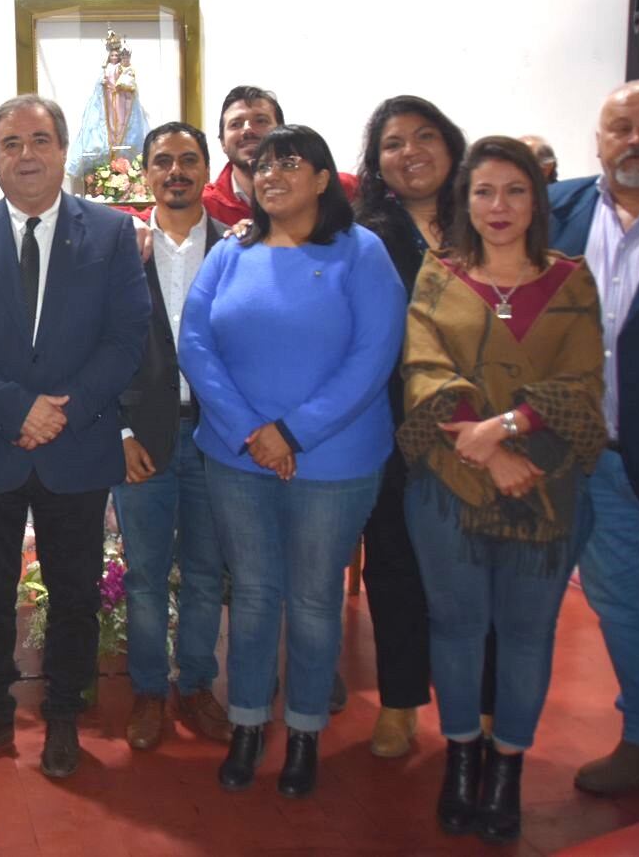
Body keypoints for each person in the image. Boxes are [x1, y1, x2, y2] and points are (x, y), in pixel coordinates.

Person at [178, 125, 405, 798]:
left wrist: (293, 433)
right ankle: (248, 722)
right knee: (250, 596)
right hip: (236, 455)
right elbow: (195, 341)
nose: (270, 174)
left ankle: (304, 731)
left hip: (333, 462)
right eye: (261, 166)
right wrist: (254, 431)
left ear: (324, 177)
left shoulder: (361, 253)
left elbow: (373, 357)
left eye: (289, 163)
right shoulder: (233, 252)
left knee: (312, 599)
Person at [0, 94, 149, 779]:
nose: (27, 154)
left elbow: (126, 337)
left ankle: (62, 717)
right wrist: (18, 411)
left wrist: (66, 411)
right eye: (11, 143)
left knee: (75, 592)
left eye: (41, 139)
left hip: (75, 446)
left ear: (61, 150)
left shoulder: (111, 234)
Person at [401, 135, 606, 842]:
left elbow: (583, 385)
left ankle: (508, 767)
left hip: (545, 487)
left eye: (514, 191)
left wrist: (513, 430)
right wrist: (486, 454)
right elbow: (423, 370)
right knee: (456, 629)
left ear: (538, 199)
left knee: (526, 634)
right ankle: (461, 758)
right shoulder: (438, 274)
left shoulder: (571, 279)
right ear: (464, 200)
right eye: (483, 191)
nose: (498, 206)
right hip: (450, 487)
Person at [551, 79, 639, 817]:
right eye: (620, 127)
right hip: (592, 459)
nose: (636, 140)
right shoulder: (557, 211)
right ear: (596, 141)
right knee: (620, 603)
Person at [352, 96, 468, 759]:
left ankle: (474, 710)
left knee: (471, 574)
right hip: (390, 426)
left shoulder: (487, 219)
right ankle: (399, 703)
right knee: (393, 566)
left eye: (425, 137)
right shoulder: (364, 236)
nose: (410, 152)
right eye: (393, 143)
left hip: (479, 427)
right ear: (377, 163)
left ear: (451, 146)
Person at [113, 122, 232, 752]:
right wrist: (121, 431)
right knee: (146, 573)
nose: (177, 171)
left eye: (189, 160)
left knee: (208, 572)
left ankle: (198, 685)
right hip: (143, 439)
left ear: (207, 170)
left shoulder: (239, 248)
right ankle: (150, 691)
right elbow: (100, 349)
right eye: (164, 161)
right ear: (146, 173)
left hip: (219, 439)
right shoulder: (118, 250)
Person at [203, 86, 360, 226]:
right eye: (235, 124)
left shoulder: (344, 188)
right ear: (222, 142)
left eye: (261, 121)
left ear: (281, 132)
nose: (248, 130)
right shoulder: (204, 205)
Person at [66, 30, 150, 181]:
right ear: (108, 56)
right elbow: (99, 84)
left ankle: (124, 161)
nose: (114, 58)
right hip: (108, 102)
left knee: (124, 128)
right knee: (105, 128)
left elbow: (129, 81)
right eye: (112, 55)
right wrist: (102, 83)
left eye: (116, 56)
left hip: (121, 102)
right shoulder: (105, 69)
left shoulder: (123, 68)